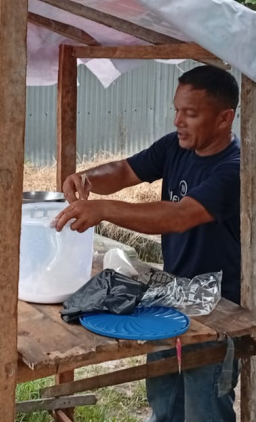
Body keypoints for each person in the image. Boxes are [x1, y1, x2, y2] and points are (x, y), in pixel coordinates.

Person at [55, 65, 241, 422]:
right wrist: (86, 180)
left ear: (224, 118)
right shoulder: (175, 147)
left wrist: (104, 210)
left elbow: (178, 216)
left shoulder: (232, 169)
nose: (178, 121)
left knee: (205, 407)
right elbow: (125, 171)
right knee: (164, 394)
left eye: (190, 113)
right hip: (172, 293)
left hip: (221, 305)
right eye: (176, 110)